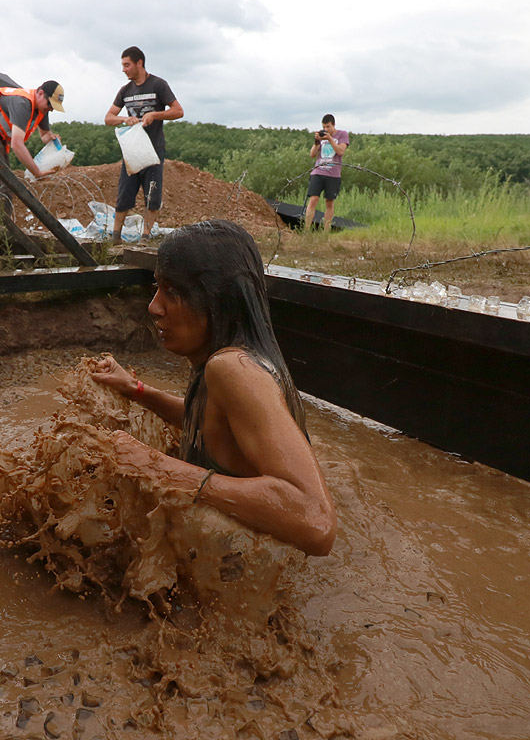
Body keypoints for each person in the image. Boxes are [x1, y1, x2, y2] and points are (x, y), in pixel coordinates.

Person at [91, 221, 337, 556]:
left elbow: (316, 522)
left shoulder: (233, 370)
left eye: (173, 293)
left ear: (218, 301)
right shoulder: (232, 361)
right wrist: (137, 390)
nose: (153, 307)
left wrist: (154, 465)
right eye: (157, 287)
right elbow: (213, 426)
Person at [104, 46, 183, 244]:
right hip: (132, 152)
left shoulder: (158, 85)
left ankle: (146, 237)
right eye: (122, 65)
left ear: (139, 63)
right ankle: (115, 237)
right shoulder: (125, 91)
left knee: (152, 195)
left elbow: (178, 111)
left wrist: (155, 115)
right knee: (124, 194)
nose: (124, 69)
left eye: (127, 65)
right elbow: (108, 118)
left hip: (154, 150)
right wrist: (125, 119)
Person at [0, 81, 66, 217]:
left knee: (5, 178)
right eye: (50, 104)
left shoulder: (42, 109)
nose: (51, 109)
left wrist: (52, 138)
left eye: (54, 107)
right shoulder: (22, 104)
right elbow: (17, 144)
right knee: (2, 182)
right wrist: (37, 172)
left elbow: (44, 135)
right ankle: (2, 230)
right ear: (40, 93)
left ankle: (5, 225)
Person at [304, 114, 350, 230]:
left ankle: (326, 230)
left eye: (328, 127)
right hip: (318, 171)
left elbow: (340, 151)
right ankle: (306, 229)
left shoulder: (342, 135)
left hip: (333, 174)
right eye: (324, 127)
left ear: (333, 125)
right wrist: (316, 142)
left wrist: (330, 139)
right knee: (313, 199)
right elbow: (312, 154)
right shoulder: (322, 135)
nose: (325, 130)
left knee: (329, 202)